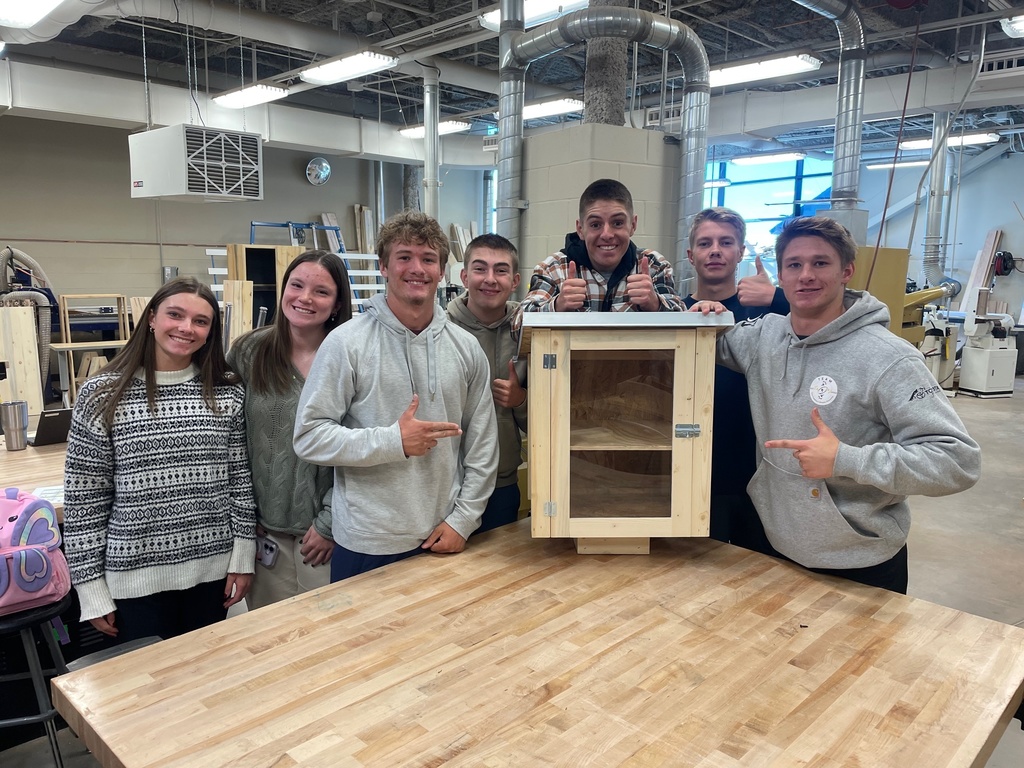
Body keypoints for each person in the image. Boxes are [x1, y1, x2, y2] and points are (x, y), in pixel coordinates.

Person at [690, 216, 980, 594]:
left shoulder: (889, 358)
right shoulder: (763, 338)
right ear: (781, 275)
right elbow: (704, 343)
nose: (806, 275)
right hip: (773, 545)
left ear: (847, 271)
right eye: (794, 265)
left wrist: (846, 459)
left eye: (820, 263)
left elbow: (958, 461)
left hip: (857, 561)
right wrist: (702, 315)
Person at [293, 211, 498, 582]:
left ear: (442, 271)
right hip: (366, 541)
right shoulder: (346, 344)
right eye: (404, 257)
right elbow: (309, 437)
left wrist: (464, 520)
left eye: (428, 259)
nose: (416, 268)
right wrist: (394, 441)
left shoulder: (466, 348)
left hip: (444, 534)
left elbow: (482, 445)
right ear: (384, 267)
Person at [63, 277, 256, 642]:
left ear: (210, 332)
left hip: (212, 575)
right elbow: (84, 501)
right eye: (175, 315)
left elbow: (239, 481)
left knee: (209, 672)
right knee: (146, 679)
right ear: (151, 318)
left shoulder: (226, 391)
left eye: (201, 321)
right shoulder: (102, 394)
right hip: (133, 584)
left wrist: (243, 558)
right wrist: (89, 587)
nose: (187, 327)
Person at [227, 250, 352, 608]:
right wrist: (244, 520)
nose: (304, 298)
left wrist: (330, 521)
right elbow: (231, 440)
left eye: (321, 291)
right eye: (296, 285)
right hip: (264, 535)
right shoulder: (250, 351)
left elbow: (363, 449)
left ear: (337, 303)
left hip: (328, 535)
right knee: (271, 633)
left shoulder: (351, 356)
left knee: (328, 631)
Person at [681, 207, 789, 551]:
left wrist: (778, 298)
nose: (715, 250)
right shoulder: (675, 314)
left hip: (758, 475)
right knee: (696, 569)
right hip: (693, 473)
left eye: (726, 242)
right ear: (691, 255)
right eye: (705, 243)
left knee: (761, 572)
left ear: (740, 252)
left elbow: (831, 317)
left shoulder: (771, 311)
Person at [446, 233, 527, 532]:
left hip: (501, 483)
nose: (490, 279)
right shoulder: (440, 331)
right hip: (447, 484)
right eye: (480, 269)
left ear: (515, 280)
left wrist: (520, 400)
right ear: (465, 276)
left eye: (501, 270)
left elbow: (545, 423)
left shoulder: (528, 333)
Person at [516, 178, 683, 317]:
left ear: (633, 225)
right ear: (580, 229)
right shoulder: (554, 269)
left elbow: (683, 322)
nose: (607, 234)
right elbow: (518, 326)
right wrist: (557, 305)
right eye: (595, 225)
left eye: (617, 223)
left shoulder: (653, 265)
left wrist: (655, 303)